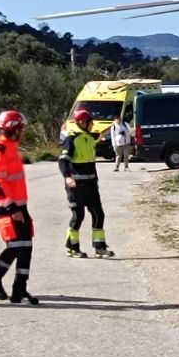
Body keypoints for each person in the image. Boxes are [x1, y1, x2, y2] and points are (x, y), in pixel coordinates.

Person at [0, 110, 39, 305]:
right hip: (5, 207)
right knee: (16, 246)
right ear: (14, 130)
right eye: (21, 129)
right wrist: (12, 208)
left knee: (26, 247)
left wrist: (19, 207)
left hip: (18, 205)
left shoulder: (11, 147)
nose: (23, 132)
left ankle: (20, 288)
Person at [59, 109, 114, 258]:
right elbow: (63, 160)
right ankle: (72, 247)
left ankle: (99, 247)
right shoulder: (71, 139)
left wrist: (112, 124)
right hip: (75, 186)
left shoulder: (89, 138)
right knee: (78, 216)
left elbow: (98, 135)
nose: (92, 125)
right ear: (82, 123)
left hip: (91, 185)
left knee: (98, 214)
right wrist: (67, 177)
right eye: (90, 122)